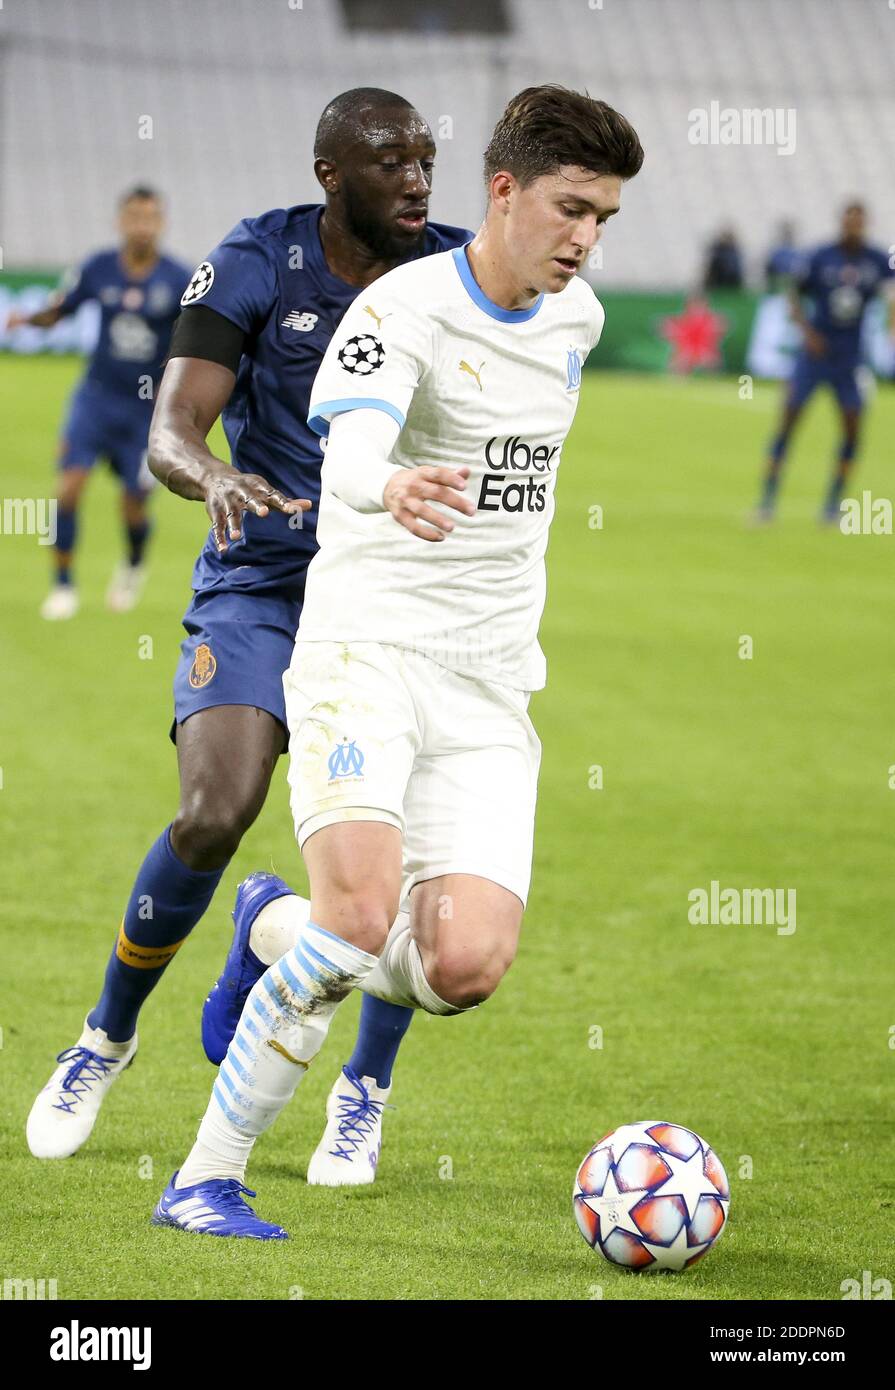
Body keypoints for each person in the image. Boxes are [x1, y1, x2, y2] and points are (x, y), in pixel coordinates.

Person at [151, 83, 644, 1240]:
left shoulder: (577, 322)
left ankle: (265, 922)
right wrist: (390, 483)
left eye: (606, 219)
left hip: (487, 680)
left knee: (461, 964)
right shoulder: (405, 309)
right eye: (571, 207)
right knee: (361, 919)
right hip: (365, 645)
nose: (585, 237)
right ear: (505, 189)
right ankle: (204, 1179)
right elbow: (357, 437)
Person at [26, 89, 471, 1170]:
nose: (416, 180)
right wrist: (216, 474)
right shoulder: (257, 260)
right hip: (264, 577)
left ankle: (360, 1088)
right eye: (389, 162)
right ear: (330, 174)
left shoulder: (455, 272)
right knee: (213, 812)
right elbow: (172, 429)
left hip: (396, 596)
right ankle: (105, 1036)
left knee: (407, 865)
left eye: (425, 160)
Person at [7, 187, 191, 618]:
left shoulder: (178, 278)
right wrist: (25, 319)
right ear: (120, 221)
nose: (142, 226)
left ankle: (132, 563)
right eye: (134, 217)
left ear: (160, 223)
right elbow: (60, 310)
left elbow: (194, 339)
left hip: (145, 409)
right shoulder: (98, 268)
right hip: (95, 399)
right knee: (67, 489)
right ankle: (63, 586)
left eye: (150, 218)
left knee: (133, 502)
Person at [756, 202, 895, 523]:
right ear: (842, 222)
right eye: (849, 220)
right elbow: (793, 296)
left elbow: (891, 295)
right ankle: (767, 500)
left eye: (859, 221)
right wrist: (808, 333)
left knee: (852, 429)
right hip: (814, 356)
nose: (854, 226)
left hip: (849, 359)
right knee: (788, 421)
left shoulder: (876, 261)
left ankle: (833, 504)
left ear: (866, 223)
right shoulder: (821, 257)